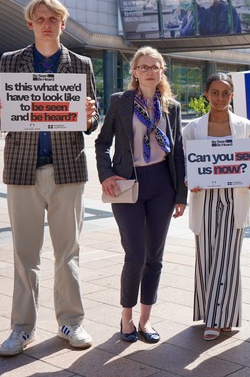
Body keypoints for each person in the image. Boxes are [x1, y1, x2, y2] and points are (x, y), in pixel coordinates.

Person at [0, 0, 99, 356]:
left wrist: (88, 116)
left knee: (68, 252)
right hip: (22, 169)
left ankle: (71, 320)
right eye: (40, 18)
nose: (47, 24)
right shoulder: (10, 62)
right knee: (25, 254)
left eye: (53, 18)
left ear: (63, 24)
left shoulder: (81, 64)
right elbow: (0, 118)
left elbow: (90, 121)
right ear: (30, 24)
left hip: (67, 169)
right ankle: (21, 328)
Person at [95, 46, 187, 344]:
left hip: (162, 183)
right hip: (128, 183)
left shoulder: (170, 105)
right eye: (143, 66)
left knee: (154, 257)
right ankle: (126, 317)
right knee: (135, 254)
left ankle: (146, 321)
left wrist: (181, 194)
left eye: (155, 66)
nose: (149, 71)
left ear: (162, 71)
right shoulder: (120, 102)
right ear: (134, 72)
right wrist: (106, 174)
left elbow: (179, 152)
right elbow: (101, 143)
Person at [183, 73, 250, 341]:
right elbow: (186, 163)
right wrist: (188, 178)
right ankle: (212, 314)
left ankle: (219, 318)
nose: (219, 98)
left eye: (225, 93)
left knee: (228, 257)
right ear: (206, 95)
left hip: (233, 196)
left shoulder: (246, 126)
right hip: (204, 197)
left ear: (232, 95)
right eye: (214, 92)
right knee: (205, 256)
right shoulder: (192, 128)